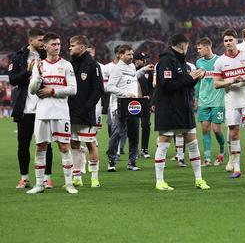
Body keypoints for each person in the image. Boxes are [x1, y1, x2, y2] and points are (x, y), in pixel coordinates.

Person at [153, 34, 209, 191]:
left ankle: (199, 179)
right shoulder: (166, 61)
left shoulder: (181, 62)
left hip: (184, 108)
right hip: (169, 109)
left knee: (192, 142)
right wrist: (190, 77)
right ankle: (159, 181)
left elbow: (185, 85)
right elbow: (166, 85)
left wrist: (196, 78)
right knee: (164, 143)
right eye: (188, 45)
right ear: (183, 45)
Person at [26, 32, 78, 194]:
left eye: (59, 44)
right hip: (42, 113)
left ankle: (69, 184)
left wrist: (52, 91)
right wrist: (38, 77)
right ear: (46, 46)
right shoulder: (39, 64)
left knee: (64, 147)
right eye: (53, 44)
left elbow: (73, 89)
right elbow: (33, 90)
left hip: (61, 112)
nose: (57, 47)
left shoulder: (66, 65)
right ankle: (39, 185)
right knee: (40, 147)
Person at [9, 28, 54, 189]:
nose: (43, 43)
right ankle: (24, 178)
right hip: (26, 108)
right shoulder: (19, 56)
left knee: (46, 144)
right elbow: (13, 80)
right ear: (31, 41)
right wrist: (27, 71)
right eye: (41, 40)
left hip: (44, 107)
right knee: (23, 144)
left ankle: (47, 178)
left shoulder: (48, 56)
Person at [213, 29, 245, 178]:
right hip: (231, 101)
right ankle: (237, 169)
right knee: (234, 134)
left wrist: (243, 79)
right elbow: (216, 84)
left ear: (236, 40)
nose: (228, 43)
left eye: (230, 40)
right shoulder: (220, 61)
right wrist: (230, 81)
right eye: (226, 41)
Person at [105, 45, 151, 172]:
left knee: (134, 134)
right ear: (120, 55)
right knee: (116, 134)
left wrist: (144, 70)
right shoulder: (116, 69)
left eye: (132, 54)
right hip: (119, 105)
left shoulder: (131, 67)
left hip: (133, 106)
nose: (131, 57)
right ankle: (112, 160)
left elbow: (132, 78)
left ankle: (132, 162)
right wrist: (125, 94)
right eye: (128, 54)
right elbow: (110, 87)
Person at [68, 35, 104, 188]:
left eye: (73, 45)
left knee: (90, 144)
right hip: (70, 112)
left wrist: (88, 107)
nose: (69, 47)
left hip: (86, 113)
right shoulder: (70, 65)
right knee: (74, 144)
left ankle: (94, 177)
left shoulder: (93, 65)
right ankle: (77, 177)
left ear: (81, 47)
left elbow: (99, 90)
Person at [194, 37, 226, 166]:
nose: (198, 51)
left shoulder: (220, 61)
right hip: (203, 101)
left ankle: (222, 151)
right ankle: (207, 158)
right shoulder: (198, 62)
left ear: (207, 48)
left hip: (218, 101)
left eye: (200, 48)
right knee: (205, 129)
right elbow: (198, 82)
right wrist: (196, 98)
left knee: (217, 130)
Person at [134, 52, 154, 159]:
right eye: (142, 59)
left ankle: (144, 149)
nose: (143, 61)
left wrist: (150, 100)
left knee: (146, 125)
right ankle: (134, 150)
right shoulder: (132, 71)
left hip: (146, 102)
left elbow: (153, 88)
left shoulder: (149, 72)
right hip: (133, 102)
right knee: (134, 126)